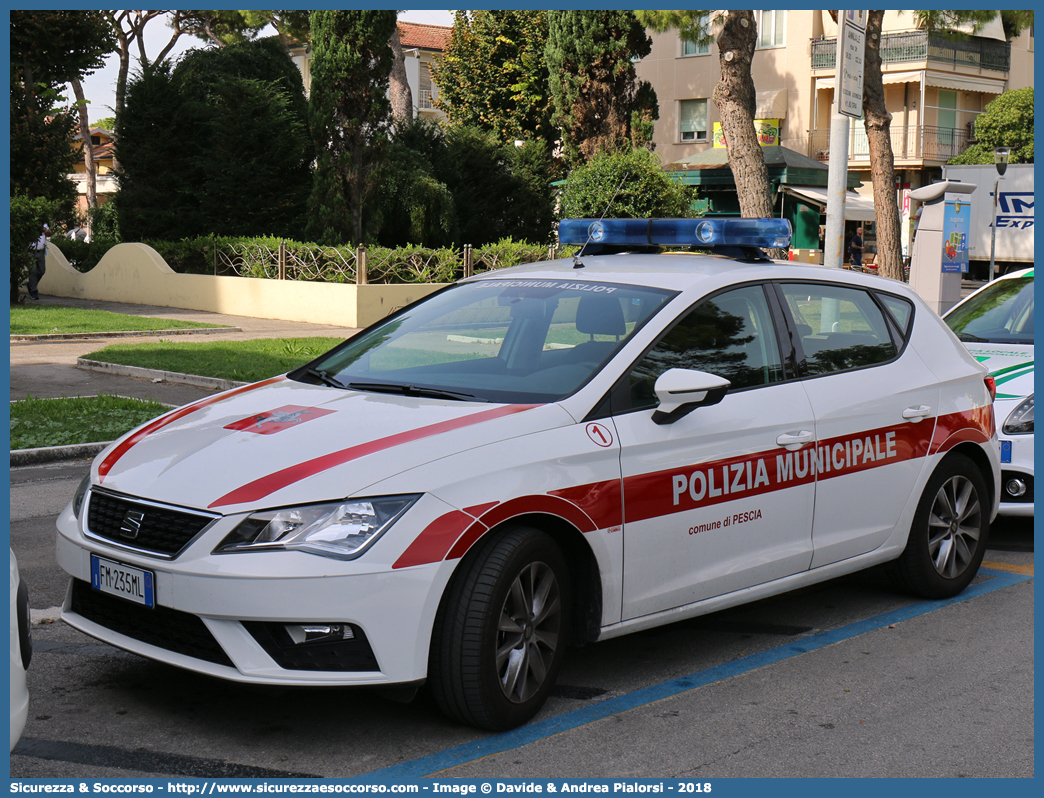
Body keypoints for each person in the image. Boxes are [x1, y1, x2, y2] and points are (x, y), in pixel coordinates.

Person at [27, 222, 50, 300]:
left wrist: (46, 230)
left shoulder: (43, 224)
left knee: (41, 271)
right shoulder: (28, 222)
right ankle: (34, 291)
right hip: (30, 251)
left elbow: (49, 234)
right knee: (33, 271)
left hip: (40, 251)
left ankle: (31, 285)